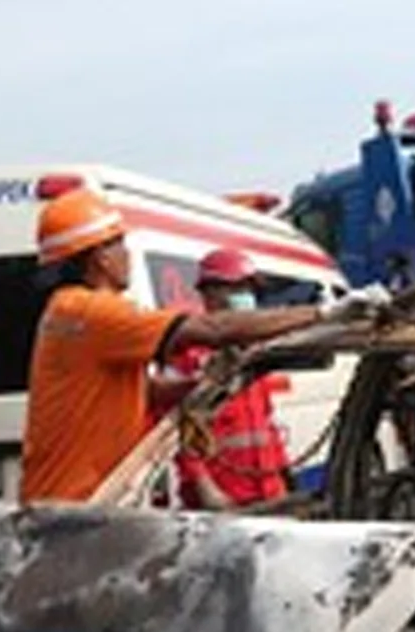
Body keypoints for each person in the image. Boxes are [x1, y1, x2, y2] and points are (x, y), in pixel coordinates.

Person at [20, 187, 385, 503]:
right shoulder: (92, 312)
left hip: (85, 501)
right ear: (101, 256)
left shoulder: (74, 315)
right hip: (78, 508)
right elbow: (212, 329)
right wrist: (326, 313)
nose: (126, 254)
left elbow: (139, 394)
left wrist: (199, 387)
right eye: (121, 244)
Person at [160, 248, 293, 509]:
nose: (246, 297)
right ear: (210, 295)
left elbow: (266, 424)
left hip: (266, 489)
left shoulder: (253, 352)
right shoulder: (188, 356)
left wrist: (283, 477)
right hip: (223, 497)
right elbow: (177, 429)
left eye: (249, 289)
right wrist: (205, 487)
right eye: (237, 288)